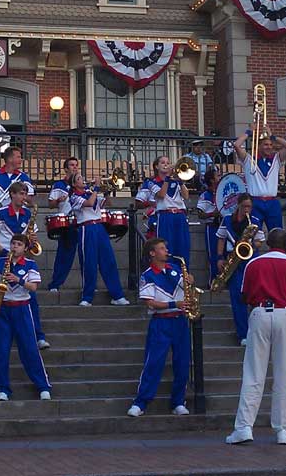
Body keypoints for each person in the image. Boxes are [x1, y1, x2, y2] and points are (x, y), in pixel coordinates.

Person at [225, 229, 286, 446]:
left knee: (254, 373)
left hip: (259, 313)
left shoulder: (254, 263)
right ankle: (283, 430)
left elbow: (244, 296)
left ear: (266, 244)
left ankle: (244, 427)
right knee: (284, 375)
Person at [127, 238, 192, 417]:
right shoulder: (147, 275)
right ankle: (140, 402)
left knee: (182, 363)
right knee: (153, 363)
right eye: (162, 248)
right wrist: (174, 303)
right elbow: (150, 303)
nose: (166, 251)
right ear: (152, 253)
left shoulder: (176, 269)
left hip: (180, 321)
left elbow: (187, 288)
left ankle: (178, 401)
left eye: (166, 247)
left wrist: (190, 280)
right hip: (161, 322)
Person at [0, 234, 52, 401]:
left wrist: (18, 280)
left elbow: (34, 287)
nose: (15, 247)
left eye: (19, 244)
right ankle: (2, 389)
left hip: (22, 309)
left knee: (30, 349)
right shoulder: (1, 262)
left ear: (25, 248)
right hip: (3, 309)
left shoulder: (30, 264)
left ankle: (43, 386)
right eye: (13, 243)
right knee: (1, 351)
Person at [0, 182, 49, 349]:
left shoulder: (28, 213)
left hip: (23, 259)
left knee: (31, 300)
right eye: (21, 194)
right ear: (12, 194)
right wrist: (4, 253)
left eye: (25, 194)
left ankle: (37, 336)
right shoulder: (0, 213)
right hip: (4, 258)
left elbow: (31, 236)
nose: (24, 197)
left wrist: (32, 241)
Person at [67, 173, 129, 307]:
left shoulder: (90, 193)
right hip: (86, 228)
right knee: (89, 263)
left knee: (109, 261)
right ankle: (87, 297)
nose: (83, 180)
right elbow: (89, 204)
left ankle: (117, 295)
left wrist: (106, 192)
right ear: (74, 184)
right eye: (79, 179)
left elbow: (108, 203)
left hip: (100, 227)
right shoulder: (74, 197)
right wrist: (96, 187)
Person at [216, 193, 266, 346]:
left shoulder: (255, 221)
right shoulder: (227, 220)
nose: (247, 210)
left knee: (254, 296)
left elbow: (260, 242)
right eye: (244, 206)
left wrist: (251, 245)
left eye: (249, 207)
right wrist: (219, 257)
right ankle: (242, 333)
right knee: (236, 298)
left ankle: (256, 331)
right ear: (237, 205)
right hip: (233, 260)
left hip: (250, 260)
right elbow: (221, 238)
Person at [233, 125, 286, 229]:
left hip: (272, 202)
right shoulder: (249, 159)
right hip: (255, 202)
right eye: (265, 144)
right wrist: (248, 132)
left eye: (271, 144)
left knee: (277, 233)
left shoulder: (276, 159)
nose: (269, 147)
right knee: (253, 234)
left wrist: (273, 136)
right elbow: (237, 145)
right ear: (258, 146)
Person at [47, 157, 81, 292]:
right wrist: (57, 201)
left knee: (87, 255)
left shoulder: (81, 184)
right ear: (66, 168)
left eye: (76, 165)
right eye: (72, 165)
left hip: (82, 221)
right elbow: (50, 204)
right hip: (66, 222)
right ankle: (55, 284)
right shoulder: (59, 185)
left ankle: (88, 285)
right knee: (64, 255)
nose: (75, 167)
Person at [149, 155, 191, 265]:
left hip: (180, 216)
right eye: (163, 163)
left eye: (168, 163)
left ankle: (183, 277)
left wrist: (180, 181)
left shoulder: (176, 182)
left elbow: (186, 196)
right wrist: (167, 178)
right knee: (166, 248)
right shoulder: (152, 182)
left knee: (183, 248)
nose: (166, 165)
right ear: (156, 167)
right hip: (165, 216)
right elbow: (161, 195)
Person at [196, 167, 222, 282]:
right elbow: (200, 214)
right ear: (212, 180)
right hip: (212, 227)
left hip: (224, 226)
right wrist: (213, 214)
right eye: (218, 176)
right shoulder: (205, 195)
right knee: (213, 256)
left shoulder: (224, 192)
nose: (220, 178)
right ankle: (213, 281)